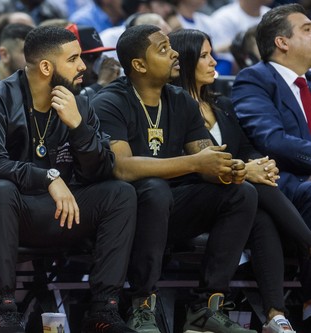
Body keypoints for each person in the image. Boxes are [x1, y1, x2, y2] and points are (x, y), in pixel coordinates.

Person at [0, 25, 138, 333]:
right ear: (45, 67)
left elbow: (101, 170)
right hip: (0, 210)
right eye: (74, 59)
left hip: (55, 212)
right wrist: (48, 177)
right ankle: (3, 311)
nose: (83, 66)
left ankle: (103, 311)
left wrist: (79, 128)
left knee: (120, 193)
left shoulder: (79, 104)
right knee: (0, 190)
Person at [91, 24, 259, 333]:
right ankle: (142, 305)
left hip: (173, 208)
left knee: (242, 193)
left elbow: (205, 155)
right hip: (126, 214)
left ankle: (207, 306)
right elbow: (122, 168)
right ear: (139, 65)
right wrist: (195, 163)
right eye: (163, 49)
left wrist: (228, 168)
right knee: (154, 190)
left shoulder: (180, 100)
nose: (175, 53)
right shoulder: (110, 101)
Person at [170, 27, 311, 333]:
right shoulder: (173, 107)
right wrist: (250, 171)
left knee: (260, 211)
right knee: (249, 188)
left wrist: (262, 164)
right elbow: (199, 163)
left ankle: (276, 315)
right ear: (185, 60)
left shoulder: (221, 104)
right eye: (205, 56)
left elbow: (247, 147)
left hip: (235, 198)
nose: (213, 62)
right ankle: (307, 243)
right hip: (190, 197)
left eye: (212, 54)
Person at [231, 3, 311, 328]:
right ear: (282, 41)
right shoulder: (255, 79)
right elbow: (271, 140)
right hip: (283, 181)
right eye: (307, 29)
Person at [65, 23, 122, 98]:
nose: (100, 64)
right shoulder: (57, 84)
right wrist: (101, 84)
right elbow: (78, 104)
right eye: (91, 57)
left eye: (100, 55)